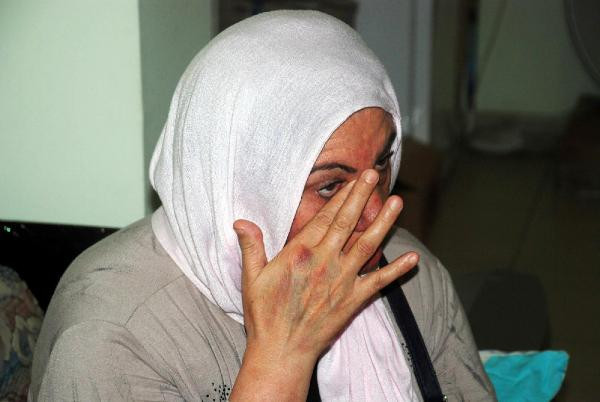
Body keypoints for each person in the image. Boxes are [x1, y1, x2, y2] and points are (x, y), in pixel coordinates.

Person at [30, 10, 496, 401]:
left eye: (381, 163)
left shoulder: (408, 273)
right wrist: (282, 359)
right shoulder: (114, 337)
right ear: (235, 185)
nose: (376, 214)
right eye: (331, 186)